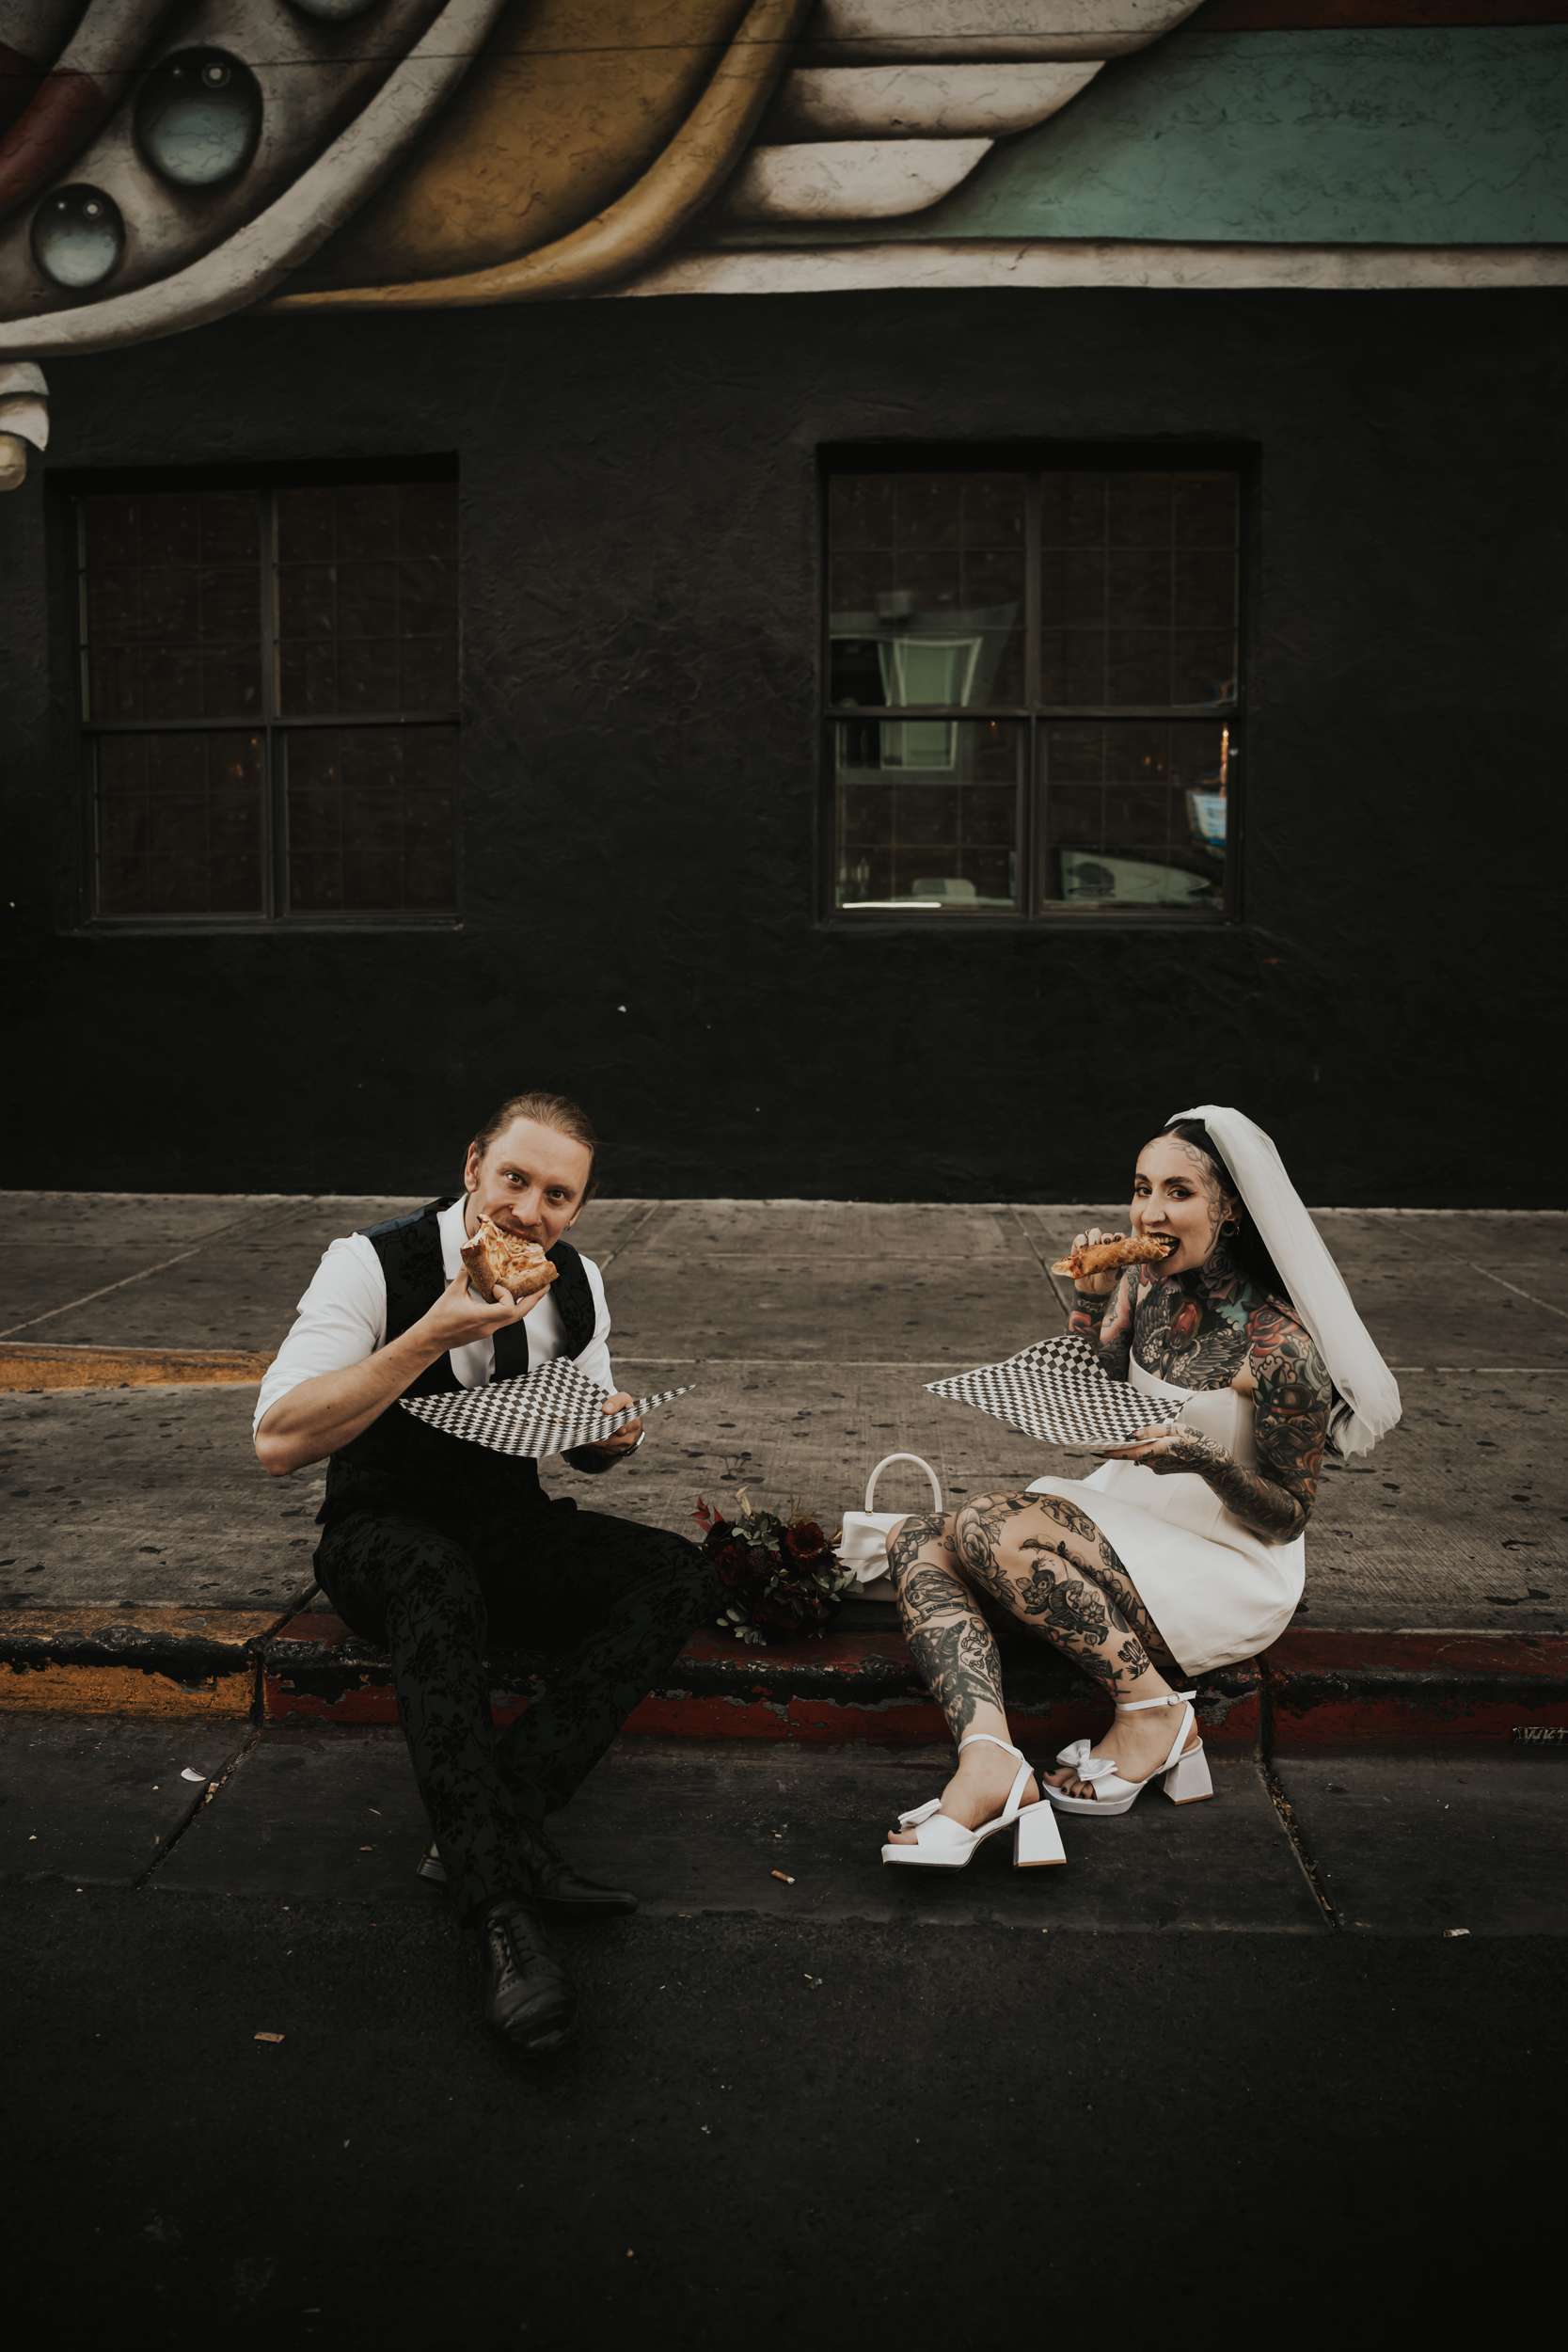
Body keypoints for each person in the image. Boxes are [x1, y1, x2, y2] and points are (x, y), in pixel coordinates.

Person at [252, 1089, 718, 2052]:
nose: (528, 1210)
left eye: (557, 1194)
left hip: (505, 1529)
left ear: (577, 1208)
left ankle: (495, 1821)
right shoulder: (371, 1263)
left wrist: (613, 1438)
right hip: (381, 1533)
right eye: (514, 1178)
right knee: (434, 1577)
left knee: (675, 1573)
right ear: (472, 1167)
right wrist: (431, 1331)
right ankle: (501, 1912)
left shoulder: (577, 1284)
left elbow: (578, 1432)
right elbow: (278, 1439)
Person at [881, 1103, 1400, 1864]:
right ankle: (988, 1762)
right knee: (915, 1538)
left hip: (1222, 1558)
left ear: (1229, 1211)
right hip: (1127, 1513)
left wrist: (1206, 1460)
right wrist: (1089, 1301)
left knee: (988, 1524)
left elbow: (1287, 1517)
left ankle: (1152, 1712)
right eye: (1140, 1188)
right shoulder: (1143, 1288)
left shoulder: (1282, 1346)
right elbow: (1091, 1399)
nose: (1148, 1212)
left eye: (1177, 1192)